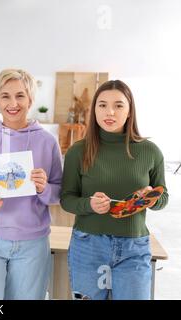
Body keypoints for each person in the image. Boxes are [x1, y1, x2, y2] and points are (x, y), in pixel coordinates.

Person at [0, 69, 63, 300]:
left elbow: (58, 193)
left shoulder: (47, 142)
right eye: (5, 96)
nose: (13, 103)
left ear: (31, 99)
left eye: (20, 95)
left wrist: (44, 188)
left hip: (32, 243)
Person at [61, 80, 169, 300]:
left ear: (130, 111)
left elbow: (163, 196)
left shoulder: (150, 152)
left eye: (118, 105)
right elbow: (66, 199)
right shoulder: (78, 151)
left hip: (134, 247)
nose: (109, 112)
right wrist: (88, 204)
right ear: (94, 110)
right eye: (102, 105)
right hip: (88, 246)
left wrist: (149, 199)